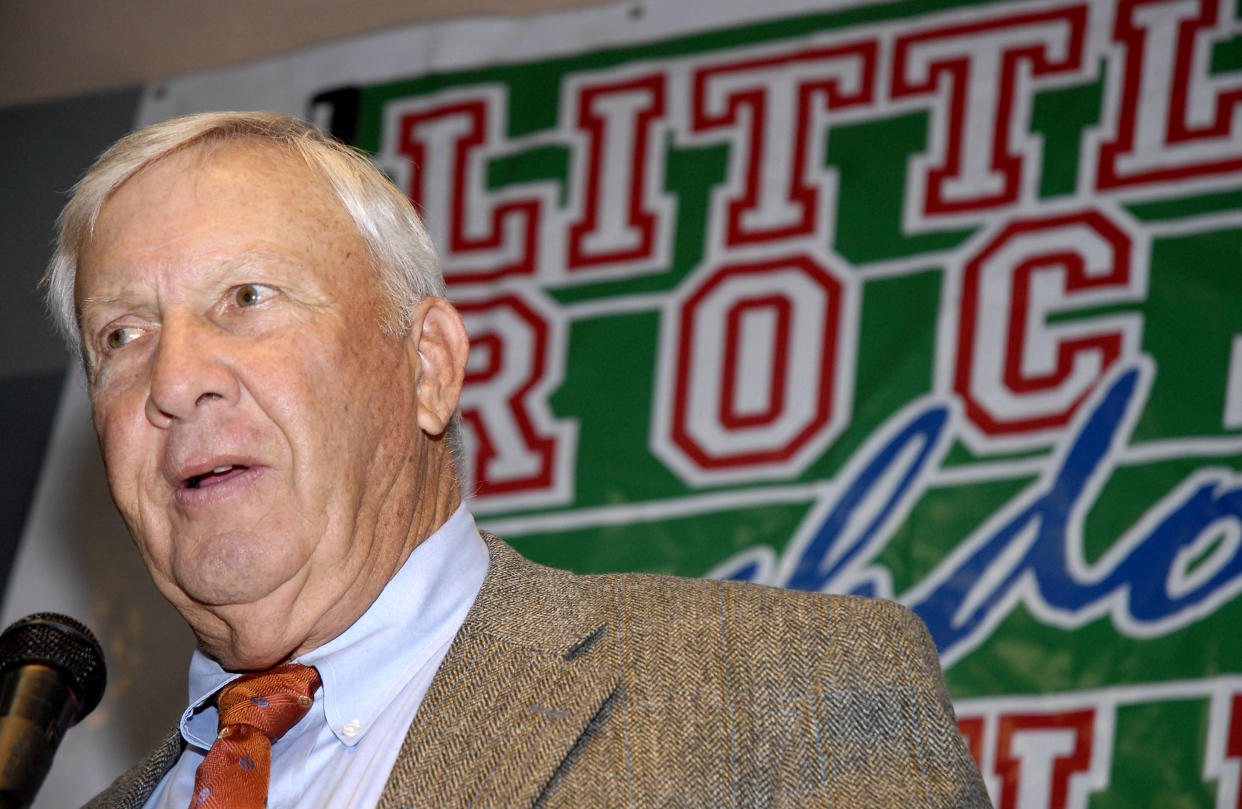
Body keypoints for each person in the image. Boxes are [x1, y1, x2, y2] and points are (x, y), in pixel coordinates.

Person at [47, 111, 991, 808]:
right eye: (121, 336)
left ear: (427, 368)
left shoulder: (784, 691)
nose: (173, 379)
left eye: (247, 297)